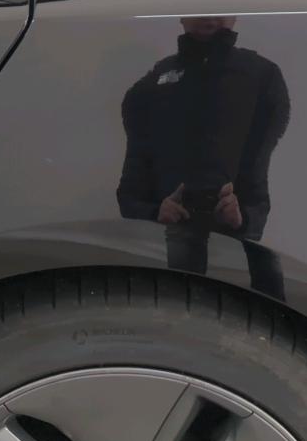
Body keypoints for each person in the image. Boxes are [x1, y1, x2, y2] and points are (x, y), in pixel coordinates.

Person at [117, 16, 290, 297]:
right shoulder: (153, 83)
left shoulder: (261, 75)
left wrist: (243, 218)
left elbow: (259, 168)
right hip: (166, 247)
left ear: (235, 13)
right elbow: (133, 180)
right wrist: (154, 212)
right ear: (181, 14)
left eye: (219, 5)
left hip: (244, 251)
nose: (209, 14)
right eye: (198, 5)